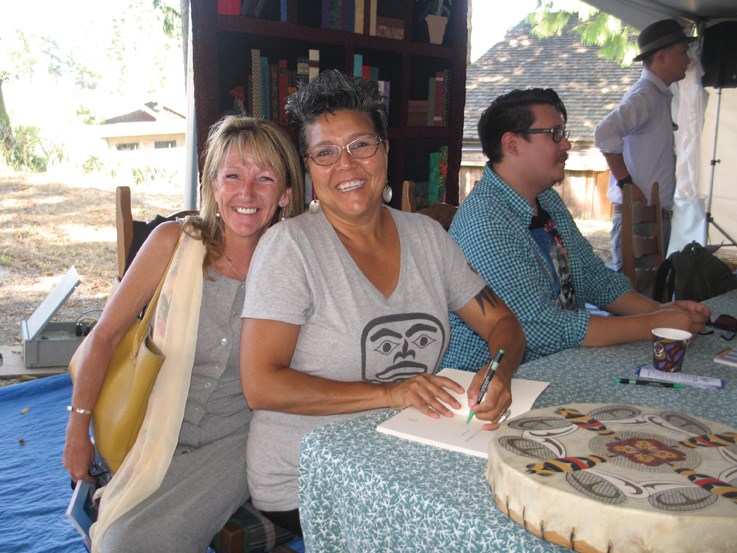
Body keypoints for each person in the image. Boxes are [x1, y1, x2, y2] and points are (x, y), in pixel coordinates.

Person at [239, 70, 525, 535]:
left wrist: (500, 373)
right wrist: (389, 394)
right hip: (309, 475)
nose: (346, 165)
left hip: (413, 454)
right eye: (325, 152)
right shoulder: (289, 248)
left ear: (385, 150)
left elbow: (504, 324)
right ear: (308, 167)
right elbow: (261, 385)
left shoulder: (428, 238)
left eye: (361, 145)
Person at [62, 116, 304, 552]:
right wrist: (77, 430)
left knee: (125, 544)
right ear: (212, 184)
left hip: (236, 443)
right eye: (233, 175)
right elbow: (104, 336)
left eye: (265, 178)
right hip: (153, 425)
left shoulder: (296, 267)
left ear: (286, 194)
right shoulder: (173, 243)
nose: (246, 193)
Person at [442, 88, 710, 368]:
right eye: (554, 133)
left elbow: (595, 278)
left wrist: (662, 311)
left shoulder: (546, 200)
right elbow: (539, 327)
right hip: (489, 380)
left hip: (559, 363)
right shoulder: (486, 220)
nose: (566, 144)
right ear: (512, 144)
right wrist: (651, 324)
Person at [595, 18, 696, 271]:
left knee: (649, 299)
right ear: (661, 57)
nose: (689, 59)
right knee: (637, 299)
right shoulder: (646, 95)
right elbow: (605, 132)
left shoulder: (656, 96)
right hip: (638, 216)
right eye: (683, 52)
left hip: (650, 215)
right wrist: (626, 183)